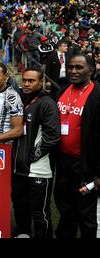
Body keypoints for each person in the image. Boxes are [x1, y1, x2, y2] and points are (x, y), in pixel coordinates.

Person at [54, 54, 100, 238]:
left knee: (86, 214)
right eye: (71, 67)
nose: (73, 71)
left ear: (92, 70)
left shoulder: (97, 94)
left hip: (86, 165)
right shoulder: (62, 91)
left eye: (79, 67)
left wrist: (98, 173)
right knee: (66, 210)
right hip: (63, 163)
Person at [12, 68, 61, 238]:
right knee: (20, 207)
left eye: (31, 81)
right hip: (19, 169)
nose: (26, 83)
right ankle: (23, 234)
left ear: (41, 82)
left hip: (38, 169)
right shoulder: (22, 101)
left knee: (40, 213)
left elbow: (52, 136)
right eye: (24, 80)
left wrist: (31, 156)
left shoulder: (47, 103)